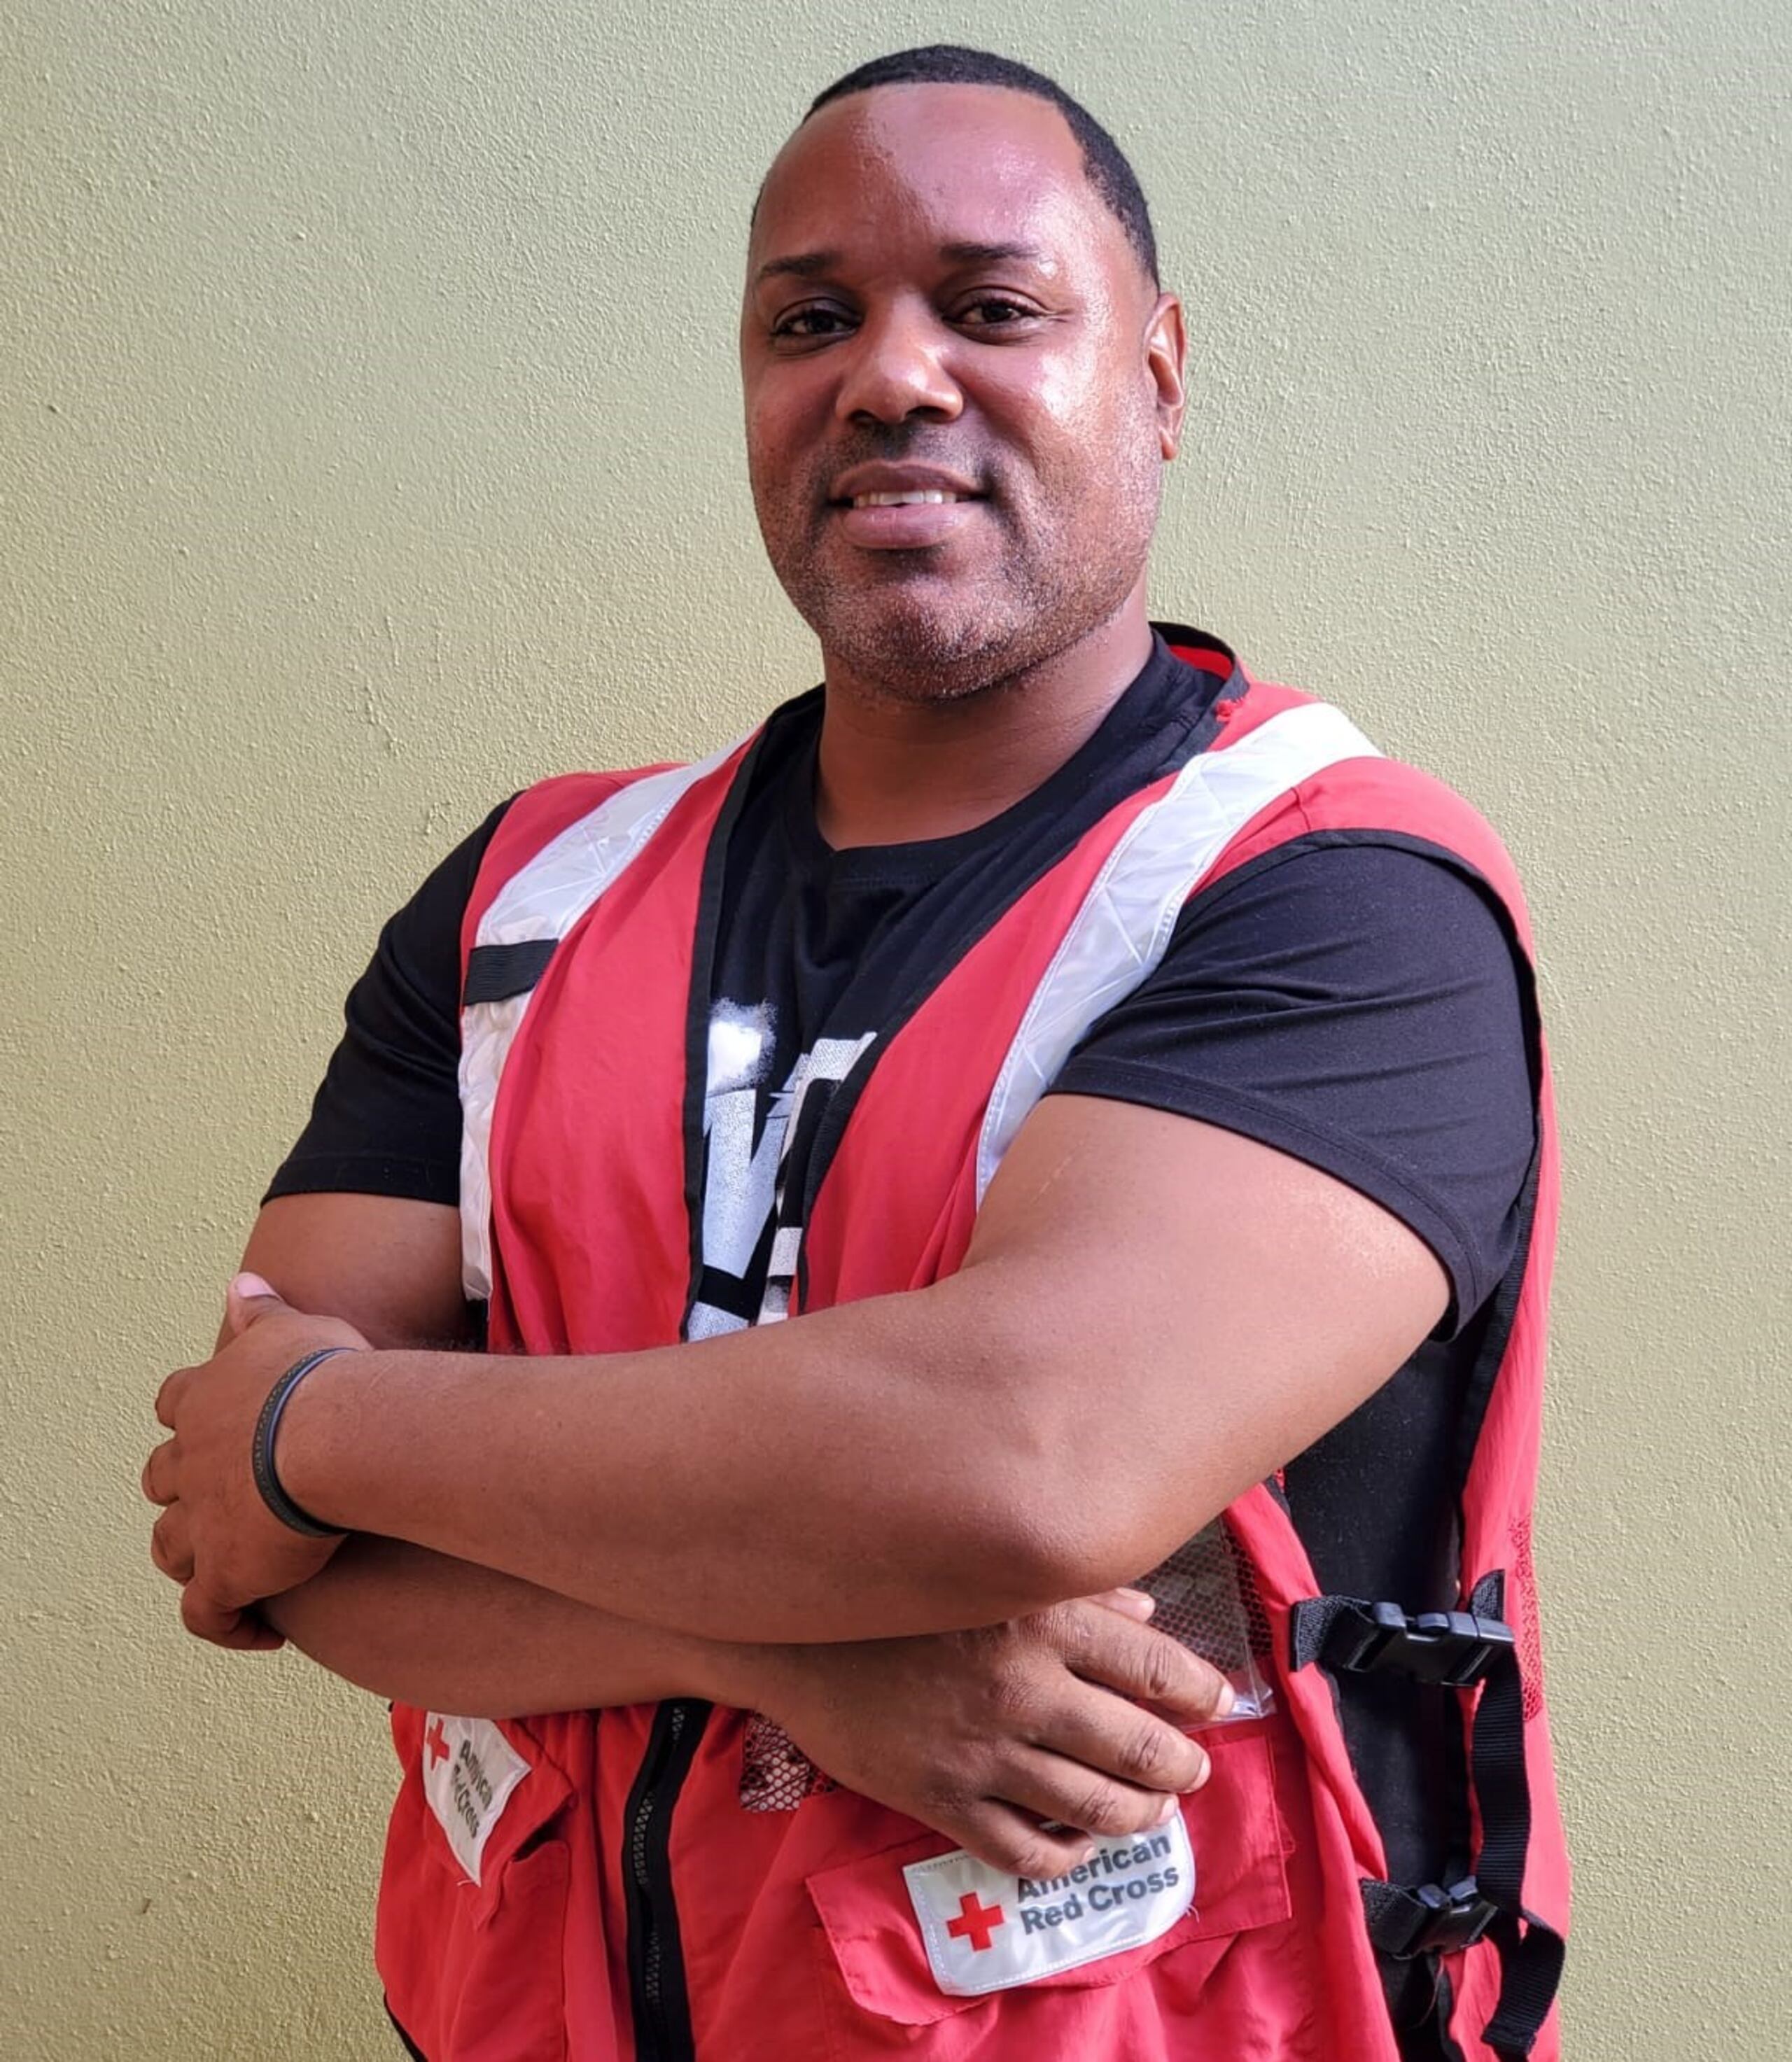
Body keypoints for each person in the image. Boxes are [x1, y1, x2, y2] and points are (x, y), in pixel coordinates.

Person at [142, 44, 1568, 2062]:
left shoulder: (1336, 896)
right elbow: (277, 1565)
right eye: (812, 319)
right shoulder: (523, 899)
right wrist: (788, 1653)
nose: (891, 376)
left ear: (1158, 374)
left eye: (992, 308)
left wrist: (315, 1423)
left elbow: (1024, 1455)